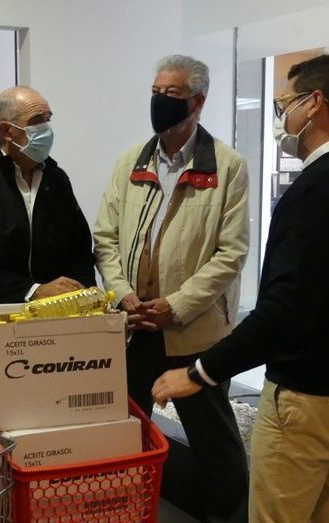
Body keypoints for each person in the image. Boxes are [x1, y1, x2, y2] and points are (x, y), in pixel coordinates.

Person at [152, 54, 329, 522]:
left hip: (309, 400)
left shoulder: (317, 188)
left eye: (285, 103)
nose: (281, 115)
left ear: (315, 103)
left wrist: (199, 372)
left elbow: (284, 311)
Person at [93, 54, 250, 523]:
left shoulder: (227, 167)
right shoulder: (131, 162)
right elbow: (105, 238)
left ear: (198, 101)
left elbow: (231, 253)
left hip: (193, 330)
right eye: (155, 93)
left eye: (172, 95)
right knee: (127, 428)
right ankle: (126, 509)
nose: (160, 102)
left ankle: (225, 515)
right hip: (135, 326)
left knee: (214, 439)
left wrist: (177, 306)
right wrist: (122, 295)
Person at [0, 86, 96, 340]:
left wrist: (84, 295)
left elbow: (79, 250)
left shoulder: (56, 179)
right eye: (36, 121)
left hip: (57, 329)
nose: (46, 129)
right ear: (7, 130)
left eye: (48, 118)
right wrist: (34, 291)